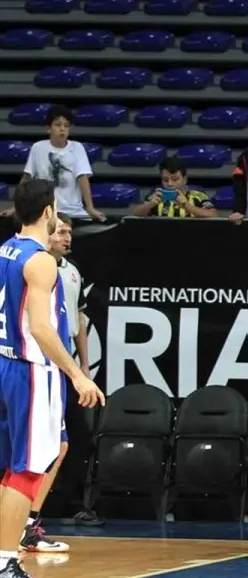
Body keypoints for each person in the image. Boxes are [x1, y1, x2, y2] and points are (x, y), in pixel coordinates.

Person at [0, 179, 104, 578]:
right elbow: (42, 328)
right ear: (47, 212)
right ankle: (7, 561)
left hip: (10, 365)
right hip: (32, 369)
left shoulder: (7, 249)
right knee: (27, 471)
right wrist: (77, 374)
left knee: (14, 468)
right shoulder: (40, 260)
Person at [17, 216, 90, 554]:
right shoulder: (32, 262)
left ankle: (28, 523)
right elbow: (39, 326)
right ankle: (16, 529)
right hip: (31, 364)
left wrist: (82, 367)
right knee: (27, 455)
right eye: (60, 230)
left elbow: (78, 321)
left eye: (70, 231)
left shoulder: (71, 272)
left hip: (58, 366)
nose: (66, 236)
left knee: (58, 447)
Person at [1, 106, 105, 223]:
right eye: (58, 125)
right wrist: (15, 207)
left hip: (73, 213)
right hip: (44, 213)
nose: (62, 129)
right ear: (48, 128)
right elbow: (26, 180)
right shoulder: (38, 148)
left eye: (66, 126)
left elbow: (83, 178)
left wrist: (90, 208)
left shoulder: (77, 148)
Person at [128, 157, 217, 218]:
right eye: (165, 180)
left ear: (185, 179)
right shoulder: (156, 195)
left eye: (175, 179)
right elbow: (135, 214)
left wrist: (187, 206)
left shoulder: (198, 196)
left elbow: (213, 215)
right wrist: (150, 205)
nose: (170, 184)